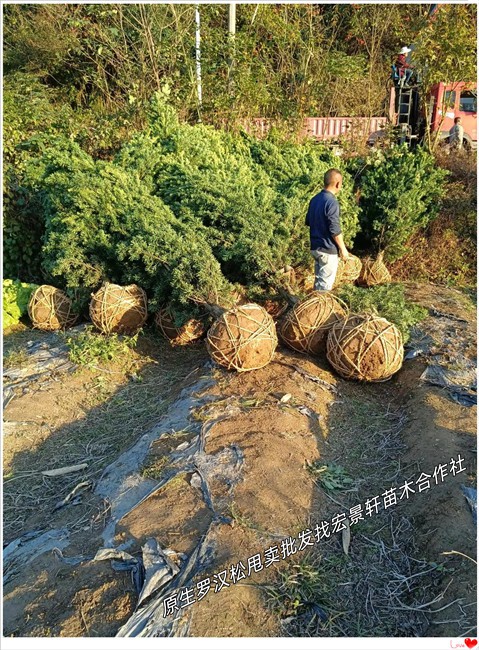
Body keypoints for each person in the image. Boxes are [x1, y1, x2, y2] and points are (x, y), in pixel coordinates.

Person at [305, 168, 349, 291]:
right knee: (324, 289)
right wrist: (343, 250)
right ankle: (319, 309)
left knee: (318, 285)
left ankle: (313, 307)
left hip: (315, 248)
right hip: (327, 250)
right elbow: (334, 230)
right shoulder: (332, 202)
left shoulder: (314, 199)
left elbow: (308, 221)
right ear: (338, 184)